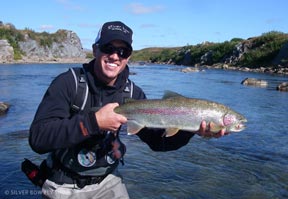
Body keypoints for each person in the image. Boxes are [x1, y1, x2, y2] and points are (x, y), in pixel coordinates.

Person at [29, 21, 227, 199]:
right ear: (95, 49)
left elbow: (158, 142)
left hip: (108, 182)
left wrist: (190, 130)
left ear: (128, 57)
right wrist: (93, 122)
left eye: (123, 51)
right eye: (108, 48)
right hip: (64, 185)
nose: (115, 56)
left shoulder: (133, 93)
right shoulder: (68, 83)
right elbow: (38, 139)